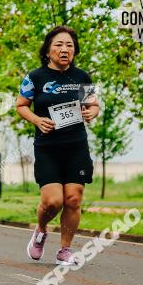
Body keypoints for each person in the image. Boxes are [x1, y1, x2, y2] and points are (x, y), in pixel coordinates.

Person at [16, 26, 100, 266]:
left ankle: (65, 249)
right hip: (48, 147)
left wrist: (91, 112)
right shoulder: (35, 77)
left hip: (76, 145)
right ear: (48, 49)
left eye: (69, 45)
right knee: (53, 201)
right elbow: (21, 105)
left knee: (73, 199)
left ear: (74, 51)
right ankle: (41, 230)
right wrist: (36, 120)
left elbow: (94, 104)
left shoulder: (82, 77)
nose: (64, 49)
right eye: (59, 45)